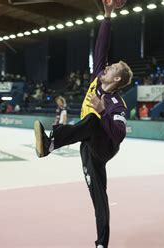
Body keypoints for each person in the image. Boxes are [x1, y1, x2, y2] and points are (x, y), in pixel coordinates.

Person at [33, 1, 132, 247]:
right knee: (99, 197)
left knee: (91, 120)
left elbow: (118, 135)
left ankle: (50, 143)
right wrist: (107, 16)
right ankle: (102, 244)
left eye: (113, 68)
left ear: (117, 79)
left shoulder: (116, 104)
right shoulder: (98, 77)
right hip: (88, 146)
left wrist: (103, 111)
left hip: (105, 147)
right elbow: (101, 46)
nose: (107, 66)